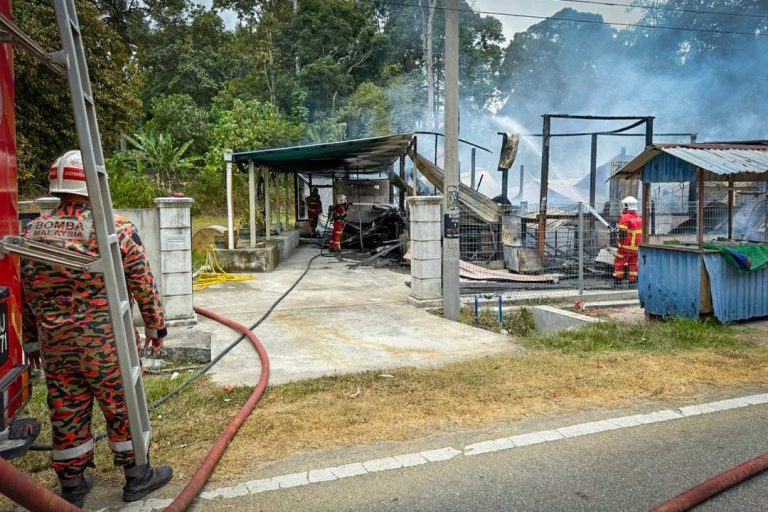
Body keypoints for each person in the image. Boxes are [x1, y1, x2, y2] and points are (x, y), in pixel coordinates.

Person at [20, 150, 173, 507]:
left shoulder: (32, 231)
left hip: (54, 344)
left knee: (66, 406)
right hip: (106, 341)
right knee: (123, 404)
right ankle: (138, 476)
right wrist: (156, 327)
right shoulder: (114, 227)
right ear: (91, 182)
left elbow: (25, 289)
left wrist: (31, 343)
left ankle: (73, 485)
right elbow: (142, 280)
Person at [614, 195, 643, 284]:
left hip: (626, 246)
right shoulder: (639, 217)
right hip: (636, 247)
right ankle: (633, 281)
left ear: (627, 205)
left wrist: (619, 239)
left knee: (619, 262)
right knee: (633, 263)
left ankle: (618, 281)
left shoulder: (625, 217)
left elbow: (622, 233)